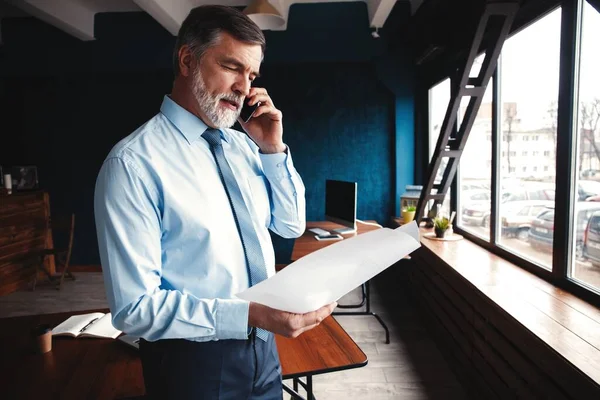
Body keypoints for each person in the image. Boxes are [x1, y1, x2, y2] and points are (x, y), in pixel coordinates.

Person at [94, 5, 336, 399]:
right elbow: (134, 309)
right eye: (232, 67)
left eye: (252, 74)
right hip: (193, 365)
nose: (244, 87)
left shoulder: (246, 146)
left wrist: (273, 150)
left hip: (264, 349)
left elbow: (290, 226)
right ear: (188, 60)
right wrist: (247, 314)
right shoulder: (133, 164)